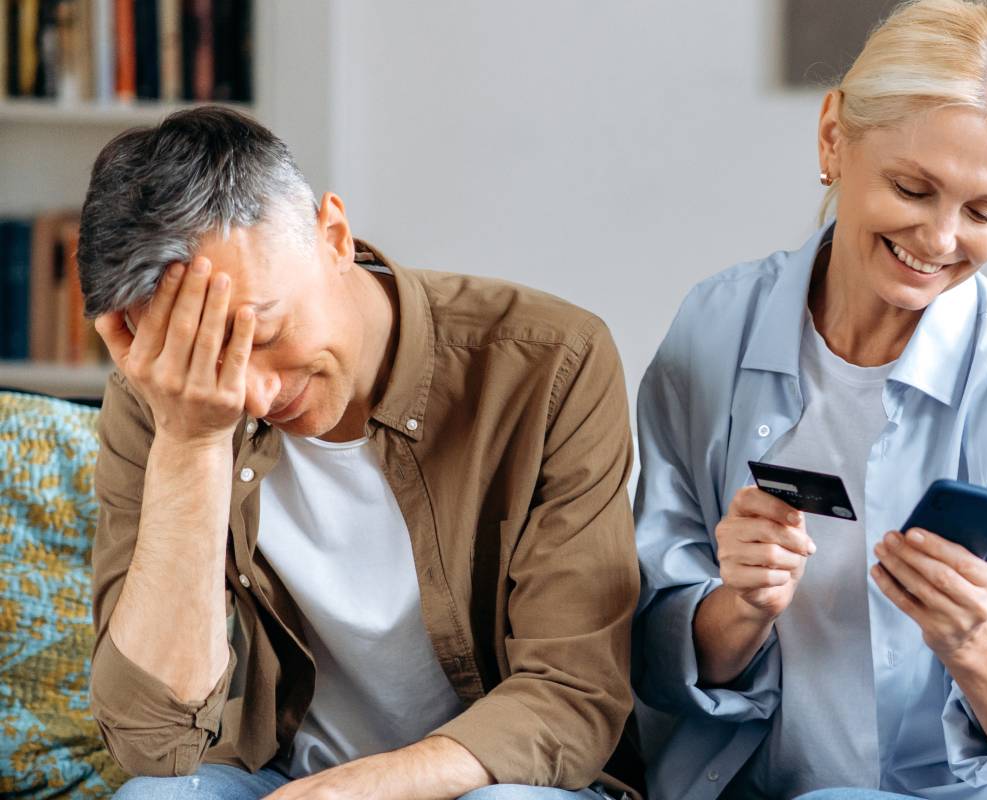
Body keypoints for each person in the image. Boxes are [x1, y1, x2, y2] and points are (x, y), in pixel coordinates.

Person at [631, 1, 987, 797]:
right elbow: (648, 663)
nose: (941, 241)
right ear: (834, 138)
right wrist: (740, 605)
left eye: (985, 212)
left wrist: (972, 639)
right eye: (914, 188)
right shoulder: (713, 330)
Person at [80, 107, 642, 799]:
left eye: (262, 330)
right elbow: (152, 742)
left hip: (496, 778)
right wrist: (189, 442)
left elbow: (574, 695)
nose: (252, 395)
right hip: (274, 774)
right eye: (206, 356)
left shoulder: (551, 363)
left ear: (335, 237)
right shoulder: (163, 404)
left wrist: (350, 791)